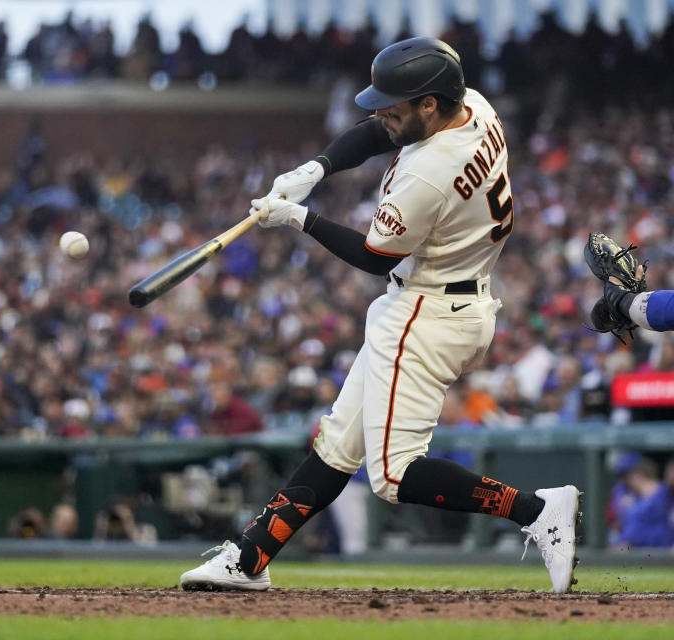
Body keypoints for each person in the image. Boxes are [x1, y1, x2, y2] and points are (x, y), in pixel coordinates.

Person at [180, 37, 580, 594]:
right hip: (450, 297)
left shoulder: (430, 172)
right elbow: (378, 132)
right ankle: (247, 559)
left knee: (393, 477)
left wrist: (300, 218)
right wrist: (317, 167)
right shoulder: (473, 107)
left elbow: (374, 255)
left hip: (427, 309)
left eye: (396, 105)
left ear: (429, 105)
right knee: (338, 446)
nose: (380, 114)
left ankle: (537, 510)